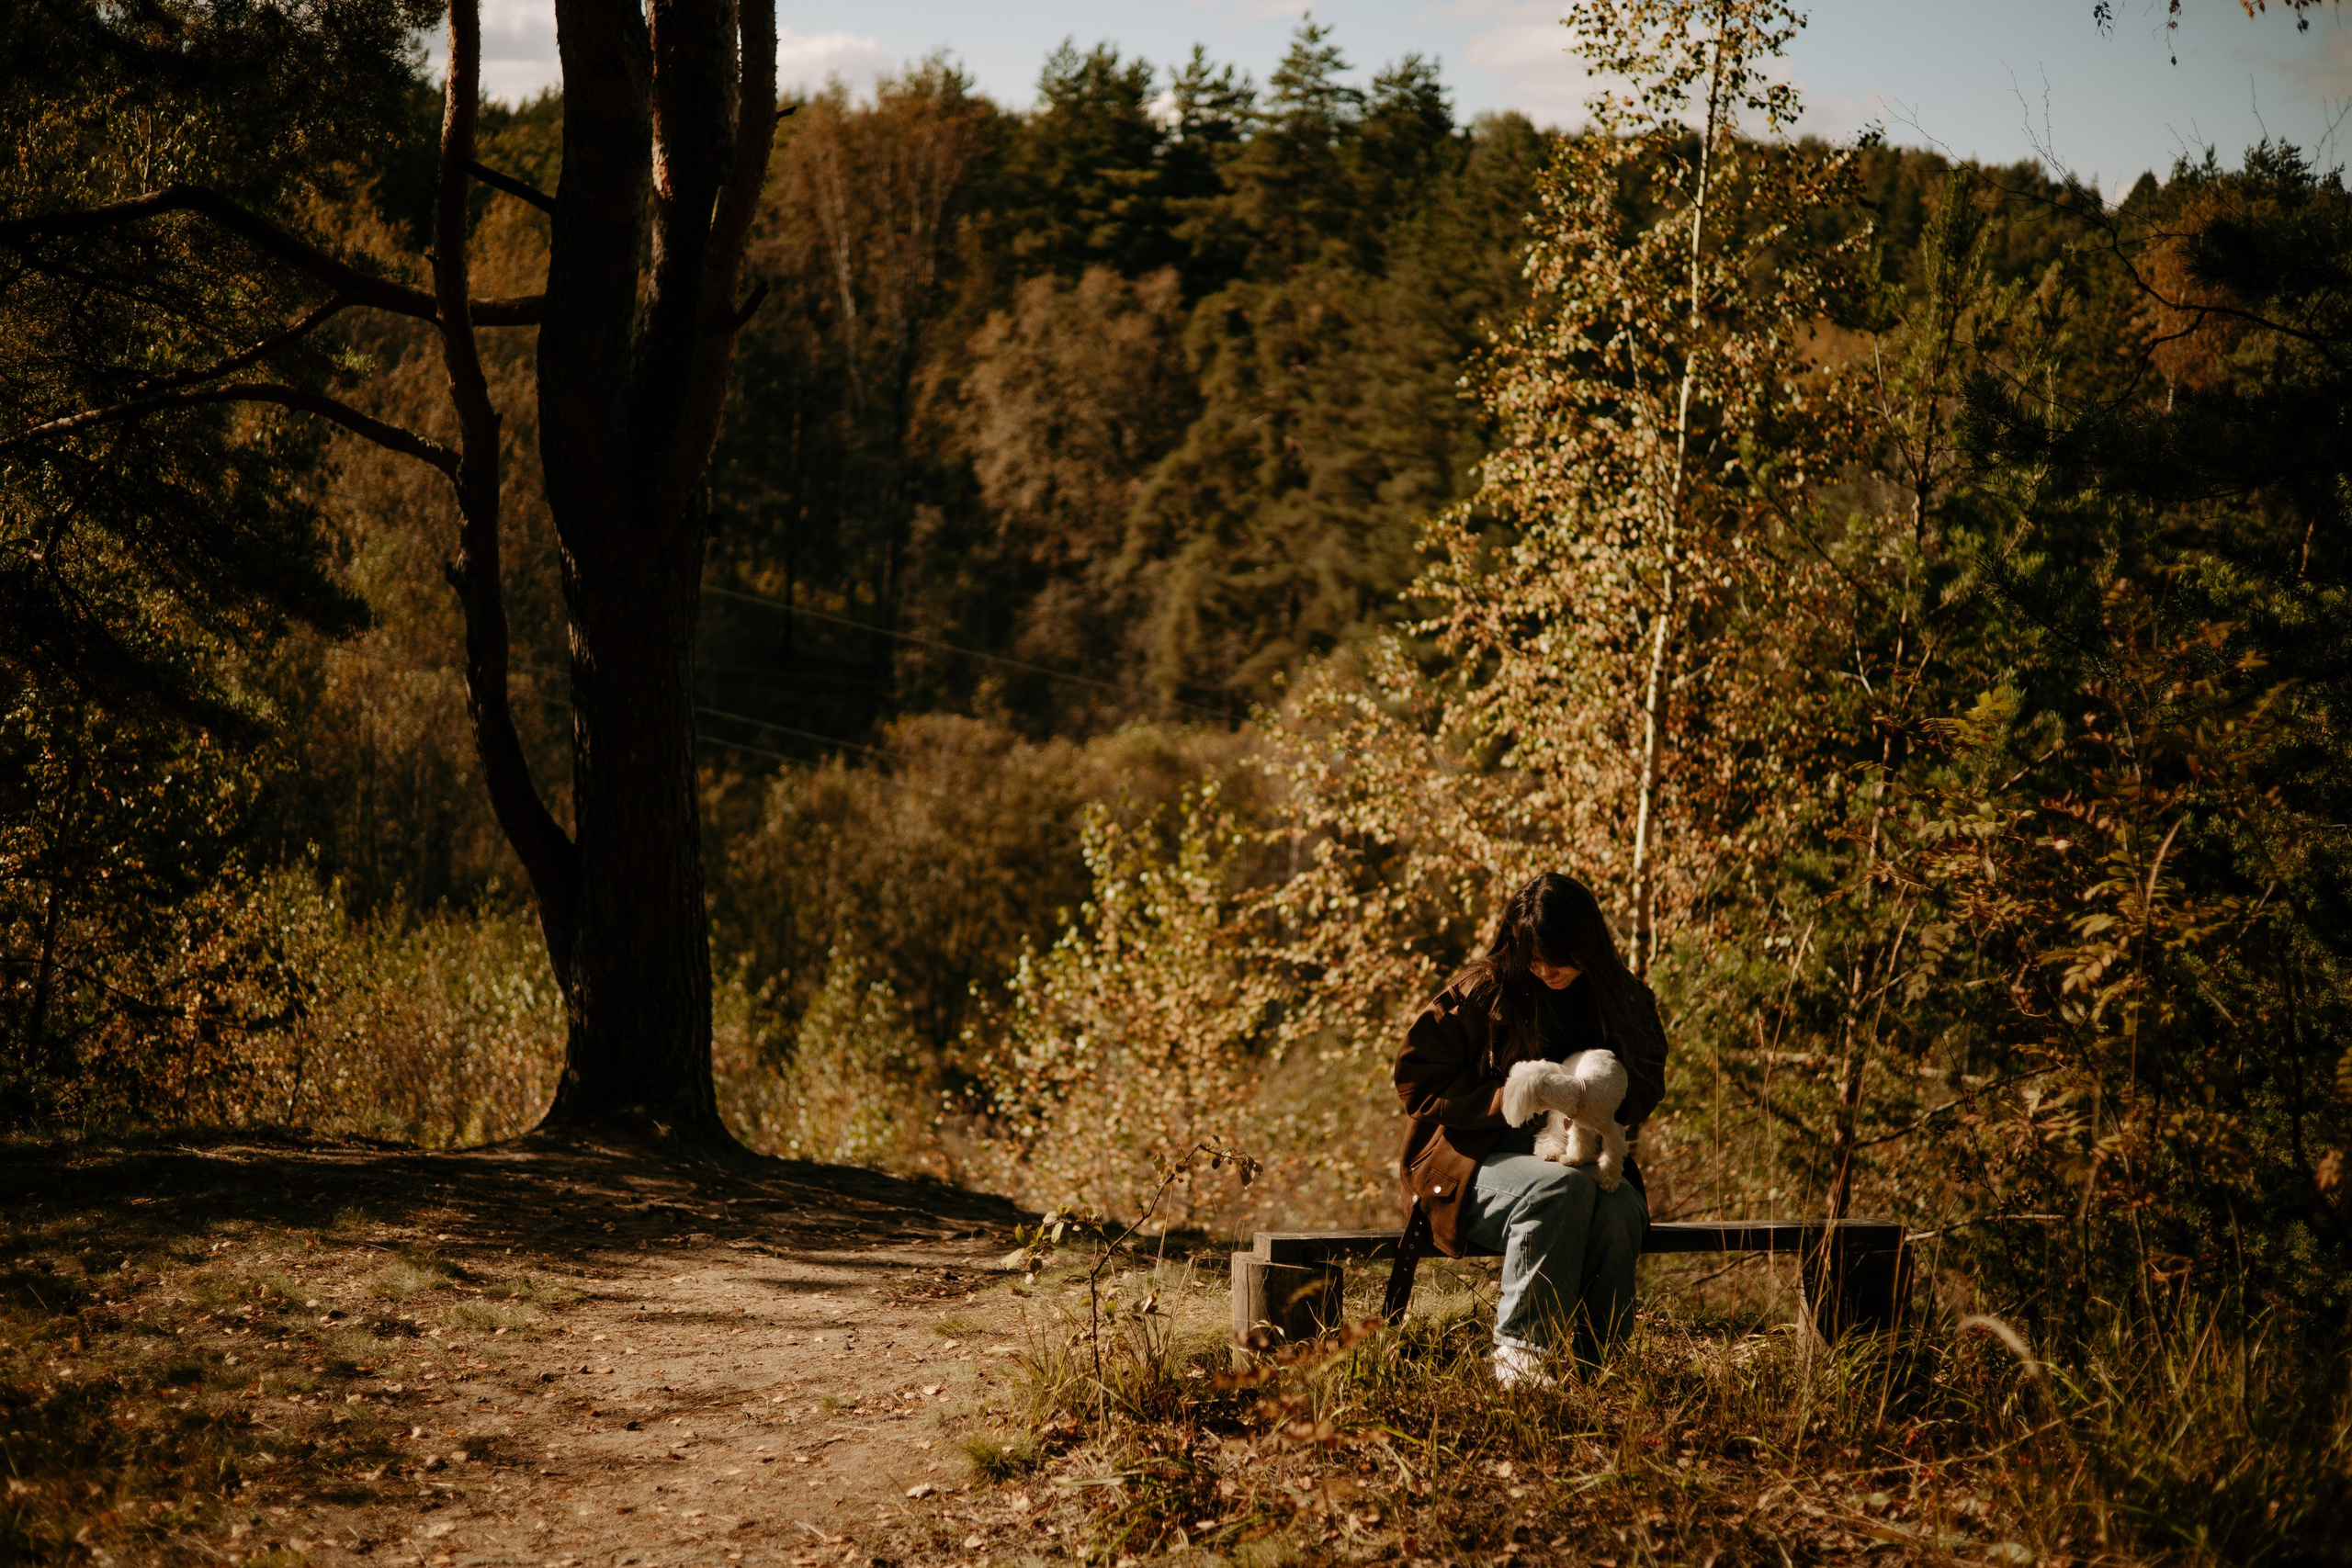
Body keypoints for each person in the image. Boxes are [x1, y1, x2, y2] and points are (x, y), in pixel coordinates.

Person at [1393, 872, 1669, 1385]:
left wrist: (1593, 1096)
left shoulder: (1623, 998)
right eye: (1533, 958)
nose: (1545, 970)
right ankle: (1520, 1356)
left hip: (1577, 1155)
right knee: (1557, 1188)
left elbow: (1648, 1084)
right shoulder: (1482, 990)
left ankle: (1600, 1367)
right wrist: (1508, 1099)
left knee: (1620, 1209)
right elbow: (1416, 1081)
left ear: (1586, 945)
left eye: (1557, 957)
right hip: (1468, 1162)